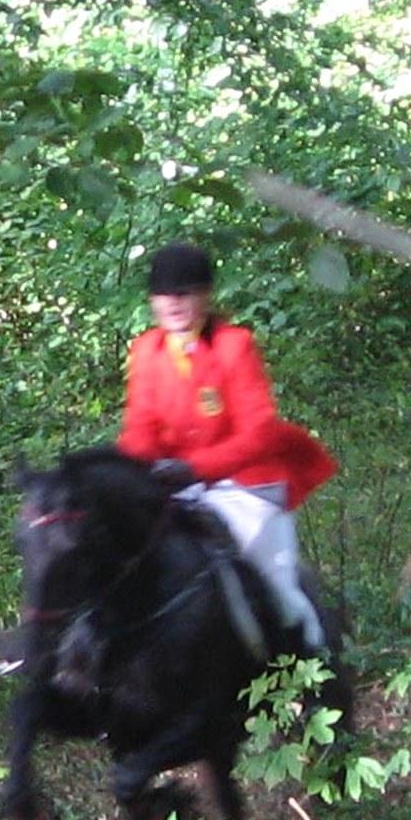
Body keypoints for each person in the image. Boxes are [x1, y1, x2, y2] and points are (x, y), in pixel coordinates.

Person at [117, 241, 337, 652]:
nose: (175, 303)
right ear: (153, 301)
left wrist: (194, 468)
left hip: (246, 484)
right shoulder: (147, 350)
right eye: (165, 294)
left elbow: (261, 433)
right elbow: (141, 428)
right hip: (177, 484)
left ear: (204, 296)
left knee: (276, 585)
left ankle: (317, 666)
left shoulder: (234, 345)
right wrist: (124, 473)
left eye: (185, 293)